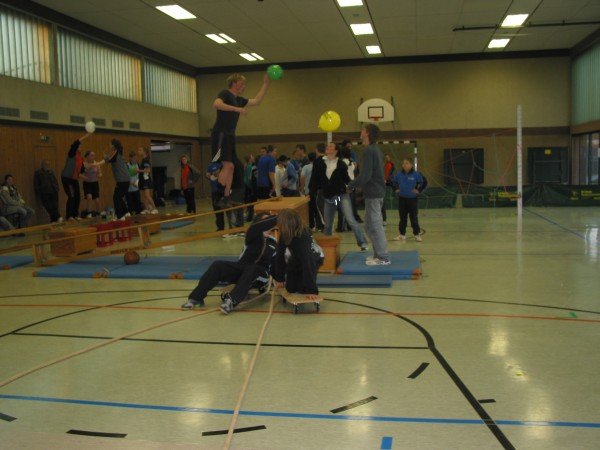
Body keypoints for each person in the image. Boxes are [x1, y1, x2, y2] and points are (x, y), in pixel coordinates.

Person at [182, 213, 278, 314]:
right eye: (266, 221)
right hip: (242, 269)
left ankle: (231, 301)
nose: (268, 225)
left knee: (252, 268)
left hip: (261, 275)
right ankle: (196, 298)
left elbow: (276, 264)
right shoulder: (252, 235)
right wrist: (278, 217)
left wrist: (279, 279)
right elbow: (256, 228)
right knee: (218, 265)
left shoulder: (274, 243)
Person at [211, 73, 270, 208]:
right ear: (234, 83)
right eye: (242, 83)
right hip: (221, 133)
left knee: (232, 166)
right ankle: (218, 196)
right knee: (227, 165)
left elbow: (257, 101)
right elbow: (216, 104)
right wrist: (236, 109)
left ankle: (226, 197)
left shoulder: (239, 99)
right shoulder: (225, 93)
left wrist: (266, 84)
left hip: (230, 136)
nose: (244, 86)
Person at [348, 124, 390, 266]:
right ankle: (378, 254)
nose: (360, 132)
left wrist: (351, 185)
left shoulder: (369, 150)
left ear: (367, 133)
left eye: (363, 130)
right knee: (369, 226)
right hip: (373, 192)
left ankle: (383, 257)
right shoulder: (374, 149)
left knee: (375, 226)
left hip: (374, 193)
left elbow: (365, 175)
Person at [314, 143, 368, 251]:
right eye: (327, 146)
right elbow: (315, 179)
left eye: (330, 147)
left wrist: (352, 187)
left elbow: (347, 179)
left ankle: (362, 242)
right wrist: (311, 191)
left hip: (340, 196)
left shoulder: (341, 164)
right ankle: (328, 248)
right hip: (329, 198)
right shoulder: (320, 162)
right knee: (328, 224)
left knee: (350, 219)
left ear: (336, 151)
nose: (327, 147)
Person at [272, 209, 323, 299]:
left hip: (314, 258)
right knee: (291, 289)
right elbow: (280, 255)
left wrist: (312, 290)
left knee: (302, 289)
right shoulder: (285, 233)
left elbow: (308, 263)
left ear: (286, 225)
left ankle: (305, 285)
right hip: (296, 258)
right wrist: (280, 278)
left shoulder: (302, 238)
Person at [393, 158, 427, 242]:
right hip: (402, 199)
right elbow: (393, 182)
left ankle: (417, 234)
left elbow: (424, 182)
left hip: (412, 200)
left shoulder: (416, 174)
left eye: (407, 163)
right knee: (402, 218)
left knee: (413, 218)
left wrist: (418, 190)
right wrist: (396, 189)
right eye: (403, 163)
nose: (404, 165)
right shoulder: (399, 174)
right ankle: (402, 235)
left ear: (411, 165)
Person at [61, 133, 90, 220]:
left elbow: (81, 170)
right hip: (67, 179)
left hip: (74, 179)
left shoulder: (80, 157)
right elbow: (74, 144)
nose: (81, 146)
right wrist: (85, 136)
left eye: (81, 145)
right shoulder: (72, 153)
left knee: (77, 196)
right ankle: (69, 216)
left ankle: (75, 215)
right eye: (79, 145)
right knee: (72, 196)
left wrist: (86, 175)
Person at [104, 139, 131, 220]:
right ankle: (126, 212)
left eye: (110, 144)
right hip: (125, 180)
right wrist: (106, 157)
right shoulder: (118, 153)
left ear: (113, 146)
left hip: (122, 180)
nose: (109, 145)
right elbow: (109, 160)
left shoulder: (116, 153)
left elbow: (108, 160)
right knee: (119, 196)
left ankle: (120, 216)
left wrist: (97, 163)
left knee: (116, 197)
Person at [308, 143, 326, 232]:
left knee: (319, 208)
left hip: (319, 189)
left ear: (316, 150)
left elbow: (314, 176)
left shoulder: (317, 161)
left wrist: (311, 189)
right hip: (328, 188)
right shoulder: (328, 160)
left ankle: (324, 225)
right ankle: (324, 225)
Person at [81, 150, 104, 218]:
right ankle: (88, 212)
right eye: (91, 155)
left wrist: (99, 175)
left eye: (94, 155)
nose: (93, 157)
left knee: (97, 200)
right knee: (89, 197)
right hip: (87, 183)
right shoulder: (84, 164)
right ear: (87, 156)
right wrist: (93, 165)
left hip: (95, 183)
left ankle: (98, 212)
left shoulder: (96, 164)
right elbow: (85, 170)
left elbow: (100, 173)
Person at [138, 147, 158, 214]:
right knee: (144, 196)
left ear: (144, 152)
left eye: (140, 150)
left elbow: (148, 170)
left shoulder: (146, 160)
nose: (138, 151)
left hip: (146, 180)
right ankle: (146, 209)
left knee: (147, 195)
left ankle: (155, 208)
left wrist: (138, 170)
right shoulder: (143, 160)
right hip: (143, 180)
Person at [207, 162, 225, 232]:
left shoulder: (222, 164)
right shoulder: (210, 165)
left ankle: (232, 229)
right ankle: (220, 227)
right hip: (214, 191)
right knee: (217, 210)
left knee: (226, 209)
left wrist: (215, 174)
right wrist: (210, 176)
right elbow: (207, 175)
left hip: (222, 190)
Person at [127, 150, 143, 215]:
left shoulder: (137, 164)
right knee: (130, 206)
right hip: (129, 189)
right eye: (134, 158)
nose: (135, 159)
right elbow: (126, 177)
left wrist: (137, 182)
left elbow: (139, 175)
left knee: (138, 205)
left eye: (136, 158)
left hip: (136, 188)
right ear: (130, 158)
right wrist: (131, 183)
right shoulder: (127, 165)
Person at [243, 154, 256, 222]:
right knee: (249, 202)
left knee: (247, 202)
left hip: (246, 185)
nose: (253, 158)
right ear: (250, 159)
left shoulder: (247, 165)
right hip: (248, 186)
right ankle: (246, 216)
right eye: (252, 157)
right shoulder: (250, 166)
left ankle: (247, 215)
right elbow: (249, 178)